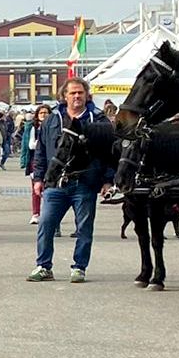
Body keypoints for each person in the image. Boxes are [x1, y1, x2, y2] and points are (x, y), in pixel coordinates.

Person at [29, 77, 111, 283]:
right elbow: (41, 150)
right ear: (64, 96)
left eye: (80, 93)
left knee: (84, 227)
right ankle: (43, 266)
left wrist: (108, 179)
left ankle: (79, 267)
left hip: (85, 182)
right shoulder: (52, 119)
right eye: (72, 93)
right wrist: (38, 177)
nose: (76, 96)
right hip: (55, 182)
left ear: (86, 95)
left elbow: (110, 152)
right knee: (46, 224)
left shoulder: (98, 119)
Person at [20, 103, 48, 224]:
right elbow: (30, 145)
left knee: (49, 190)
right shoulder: (33, 127)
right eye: (41, 113)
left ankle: (48, 214)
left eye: (46, 113)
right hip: (35, 161)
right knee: (36, 189)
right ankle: (36, 213)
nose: (43, 115)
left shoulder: (54, 126)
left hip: (50, 161)